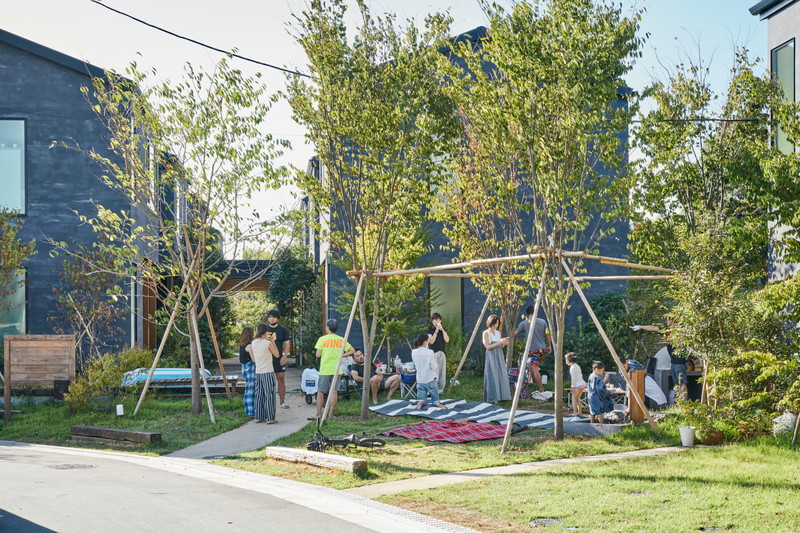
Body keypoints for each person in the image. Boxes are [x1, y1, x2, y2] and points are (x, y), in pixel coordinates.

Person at [632, 319, 687, 401]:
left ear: (672, 321)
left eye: (668, 320)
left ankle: (684, 402)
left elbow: (654, 328)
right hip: (674, 361)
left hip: (680, 362)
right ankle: (680, 402)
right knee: (677, 384)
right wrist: (640, 327)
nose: (666, 322)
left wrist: (640, 327)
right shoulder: (667, 331)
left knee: (681, 383)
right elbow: (654, 328)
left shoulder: (677, 331)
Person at [313, 318, 354, 419]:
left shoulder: (322, 339)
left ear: (327, 328)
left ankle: (318, 414)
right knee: (334, 391)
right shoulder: (341, 339)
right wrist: (343, 355)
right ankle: (331, 414)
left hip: (325, 369)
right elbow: (352, 350)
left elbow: (317, 355)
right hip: (337, 370)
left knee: (321, 391)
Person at [514, 304, 552, 400]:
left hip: (532, 349)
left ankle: (541, 391)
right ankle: (529, 388)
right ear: (536, 312)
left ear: (527, 314)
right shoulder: (543, 321)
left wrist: (506, 339)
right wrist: (549, 346)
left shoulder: (525, 323)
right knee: (531, 367)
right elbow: (547, 334)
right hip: (542, 348)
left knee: (534, 369)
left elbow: (515, 333)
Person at [246, 323, 279, 424]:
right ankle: (270, 418)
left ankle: (258, 417)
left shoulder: (254, 342)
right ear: (267, 332)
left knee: (259, 395)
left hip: (258, 372)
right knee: (269, 395)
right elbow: (277, 354)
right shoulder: (267, 343)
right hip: (267, 371)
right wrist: (273, 342)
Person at [411, 333, 447, 410]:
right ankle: (437, 403)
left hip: (420, 379)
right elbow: (434, 366)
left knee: (422, 396)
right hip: (430, 378)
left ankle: (421, 401)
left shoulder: (413, 352)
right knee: (435, 398)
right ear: (425, 341)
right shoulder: (430, 352)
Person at [265, 309, 292, 409]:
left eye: (274, 317)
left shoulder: (282, 329)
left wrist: (284, 357)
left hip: (278, 359)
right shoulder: (264, 328)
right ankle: (267, 403)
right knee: (267, 381)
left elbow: (287, 344)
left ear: (278, 318)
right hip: (266, 359)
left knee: (281, 380)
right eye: (270, 317)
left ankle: (282, 402)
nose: (271, 319)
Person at [482, 314, 511, 403]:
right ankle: (493, 397)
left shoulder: (498, 333)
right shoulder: (486, 333)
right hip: (491, 356)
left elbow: (500, 347)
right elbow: (488, 347)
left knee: (501, 374)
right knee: (492, 374)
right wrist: (499, 342)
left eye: (497, 324)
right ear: (490, 323)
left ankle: (502, 396)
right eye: (495, 323)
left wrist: (504, 343)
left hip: (499, 355)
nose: (496, 325)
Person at [427, 313, 449, 394]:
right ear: (432, 321)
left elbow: (447, 340)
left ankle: (440, 390)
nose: (438, 321)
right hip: (433, 353)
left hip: (442, 353)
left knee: (442, 372)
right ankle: (433, 390)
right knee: (434, 372)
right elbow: (431, 341)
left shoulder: (443, 329)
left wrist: (442, 330)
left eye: (439, 319)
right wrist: (436, 331)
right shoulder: (429, 330)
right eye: (436, 320)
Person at [238, 326, 256, 417]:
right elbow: (253, 359)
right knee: (251, 390)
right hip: (250, 367)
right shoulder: (249, 346)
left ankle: (247, 410)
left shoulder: (242, 345)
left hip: (244, 367)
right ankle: (251, 412)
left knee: (248, 389)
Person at [565, 352, 586, 416]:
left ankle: (574, 412)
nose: (566, 361)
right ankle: (580, 412)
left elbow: (573, 378)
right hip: (582, 384)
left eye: (566, 359)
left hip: (577, 385)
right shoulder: (577, 366)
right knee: (577, 398)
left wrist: (572, 387)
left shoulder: (572, 368)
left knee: (573, 399)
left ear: (569, 360)